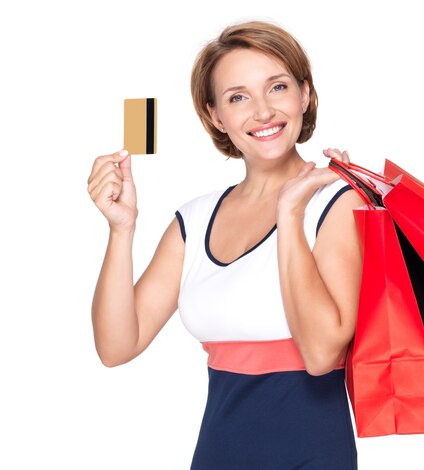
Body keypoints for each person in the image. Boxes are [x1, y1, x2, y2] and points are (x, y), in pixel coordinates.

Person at [87, 20, 364, 469]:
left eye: (277, 87)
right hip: (217, 455)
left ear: (304, 94)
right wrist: (121, 229)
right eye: (238, 97)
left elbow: (321, 354)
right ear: (216, 115)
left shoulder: (337, 201)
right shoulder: (194, 220)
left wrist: (290, 213)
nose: (262, 111)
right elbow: (117, 346)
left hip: (311, 456)